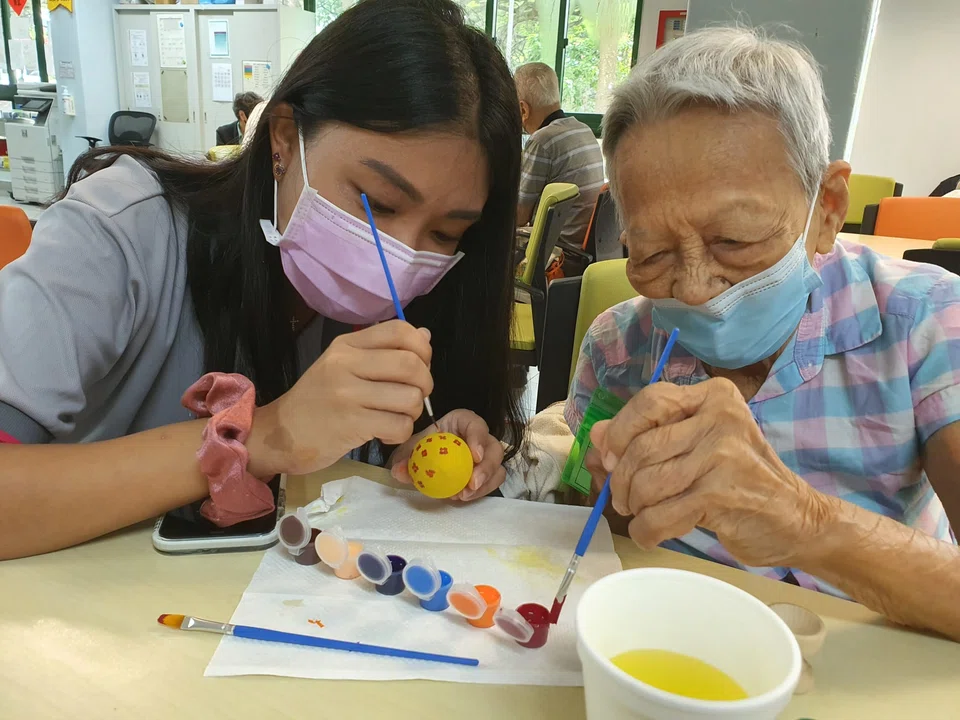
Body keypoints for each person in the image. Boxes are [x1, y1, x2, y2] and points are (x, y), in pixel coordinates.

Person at [0, 0, 524, 560]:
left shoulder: (429, 309)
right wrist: (269, 436)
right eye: (380, 203)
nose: (401, 255)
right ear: (282, 141)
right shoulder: (121, 231)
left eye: (445, 234)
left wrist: (414, 451)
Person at [568, 27, 960, 641]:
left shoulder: (929, 321)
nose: (695, 288)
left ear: (827, 209)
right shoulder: (618, 348)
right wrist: (602, 489)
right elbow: (584, 528)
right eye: (651, 253)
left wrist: (805, 523)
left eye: (737, 240)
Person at [515, 62, 605, 246]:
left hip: (558, 250)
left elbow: (519, 216)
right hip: (587, 246)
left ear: (523, 109)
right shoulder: (583, 130)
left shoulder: (543, 140)